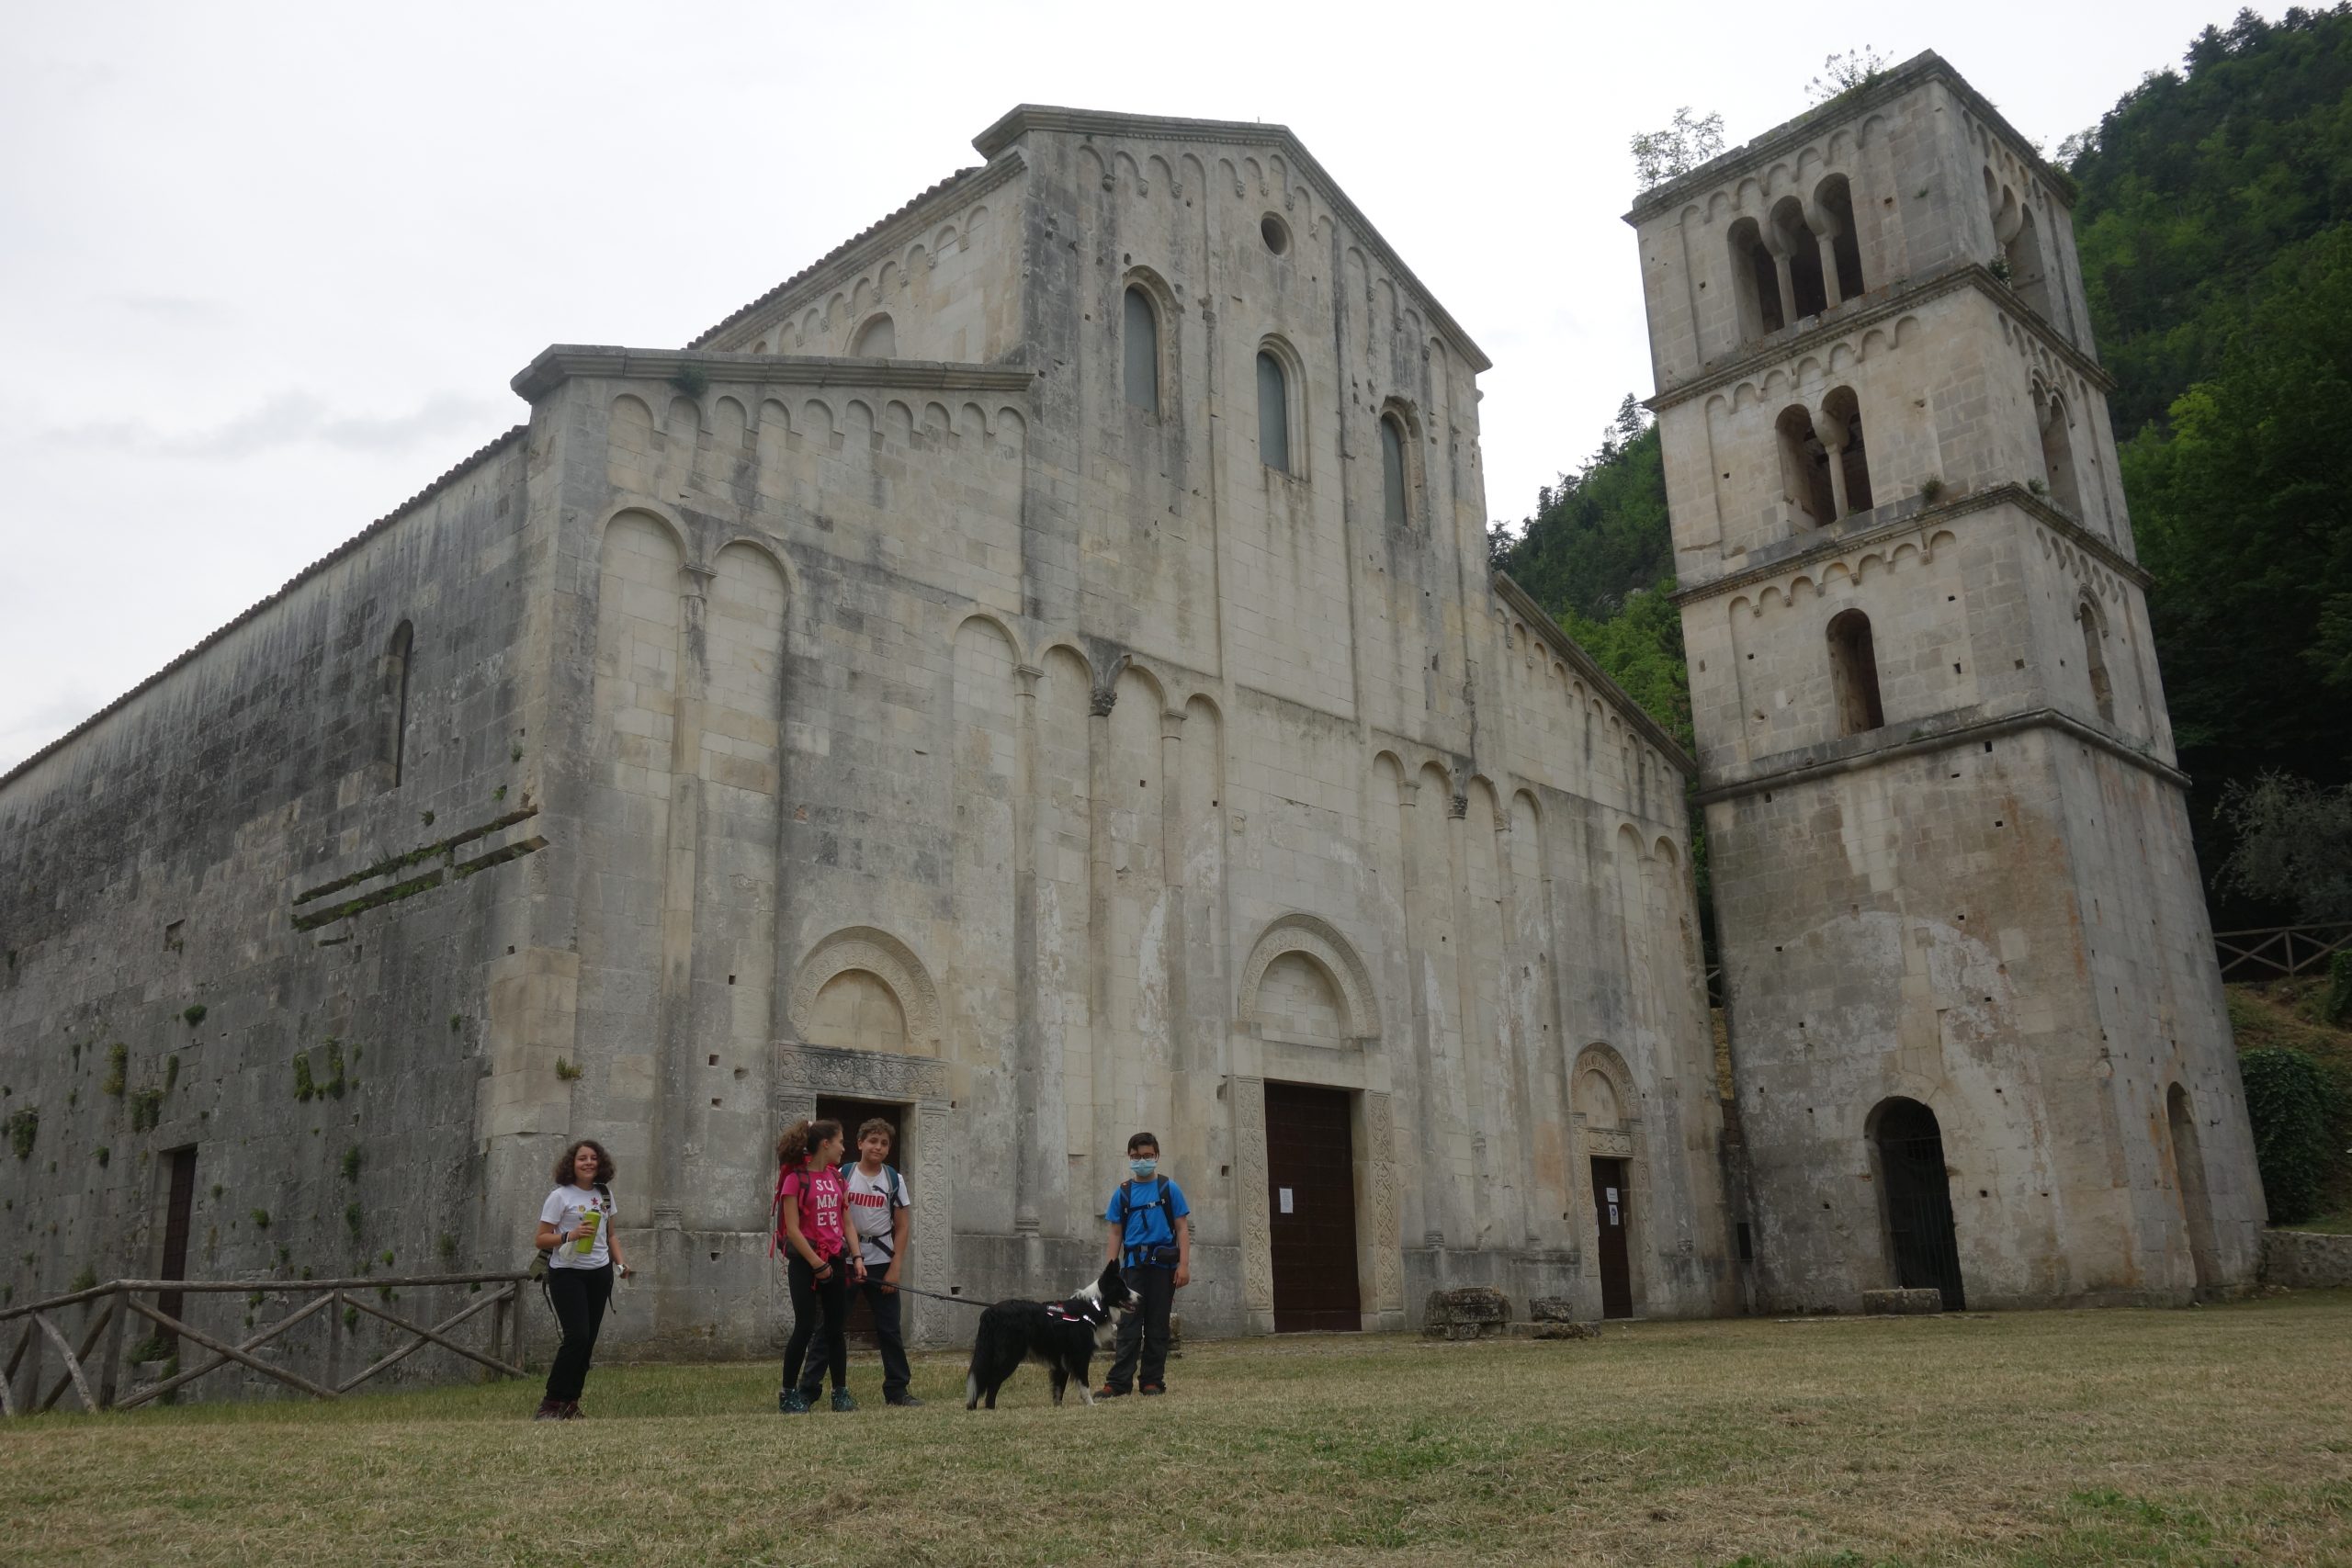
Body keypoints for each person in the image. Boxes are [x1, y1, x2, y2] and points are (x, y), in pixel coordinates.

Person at [533, 1138, 632, 1420]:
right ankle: (550, 1404)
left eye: (593, 1158)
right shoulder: (560, 1196)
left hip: (599, 1273)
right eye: (582, 1159)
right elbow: (540, 1238)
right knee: (576, 1337)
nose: (588, 1163)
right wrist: (570, 1236)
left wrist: (621, 1263)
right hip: (567, 1272)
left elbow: (610, 1235)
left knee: (587, 1342)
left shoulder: (605, 1194)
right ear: (572, 1164)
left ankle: (571, 1404)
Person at [774, 1118, 862, 1413]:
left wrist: (856, 1257)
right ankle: (788, 1394)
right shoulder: (794, 1179)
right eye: (840, 1141)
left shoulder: (837, 1178)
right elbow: (792, 1230)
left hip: (835, 1260)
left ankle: (840, 1392)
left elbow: (846, 1220)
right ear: (826, 1143)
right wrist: (816, 1263)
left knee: (835, 1329)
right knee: (805, 1326)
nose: (843, 1147)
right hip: (806, 1262)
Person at [1099, 1130, 1190, 1397]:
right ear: (1129, 1157)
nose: (1142, 1160)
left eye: (1148, 1155)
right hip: (1132, 1269)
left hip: (1163, 1270)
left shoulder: (1168, 1189)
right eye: (1137, 1156)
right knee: (1128, 1326)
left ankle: (1152, 1381)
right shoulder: (1123, 1194)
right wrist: (1110, 1273)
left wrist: (1183, 1265)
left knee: (1157, 1325)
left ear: (1157, 1156)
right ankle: (1118, 1383)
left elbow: (1182, 1229)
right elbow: (1115, 1233)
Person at [841, 1117, 922, 1406]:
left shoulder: (894, 1180)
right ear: (860, 1142)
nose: (878, 1147)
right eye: (872, 1141)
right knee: (830, 1326)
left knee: (889, 1329)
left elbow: (902, 1226)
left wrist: (895, 1267)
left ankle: (897, 1391)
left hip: (882, 1261)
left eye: (884, 1143)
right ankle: (812, 1389)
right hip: (847, 1260)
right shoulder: (843, 1175)